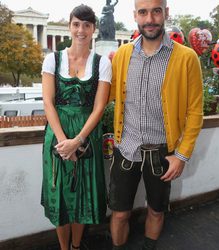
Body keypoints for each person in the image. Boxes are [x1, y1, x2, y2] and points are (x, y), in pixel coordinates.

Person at [108, 0, 203, 249]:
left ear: (165, 14)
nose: (149, 18)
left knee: (156, 211)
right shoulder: (122, 55)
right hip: (125, 149)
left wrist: (181, 155)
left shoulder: (186, 58)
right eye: (143, 12)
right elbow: (105, 95)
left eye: (156, 11)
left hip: (162, 153)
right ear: (135, 16)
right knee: (119, 214)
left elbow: (195, 111)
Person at [41, 4, 111, 250]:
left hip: (87, 135)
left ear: (93, 29)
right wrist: (64, 144)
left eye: (87, 25)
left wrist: (78, 141)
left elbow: (99, 107)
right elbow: (48, 103)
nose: (81, 30)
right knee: (59, 194)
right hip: (58, 136)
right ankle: (64, 248)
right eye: (76, 24)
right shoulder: (53, 58)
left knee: (83, 195)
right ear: (70, 26)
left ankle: (76, 246)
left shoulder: (102, 63)